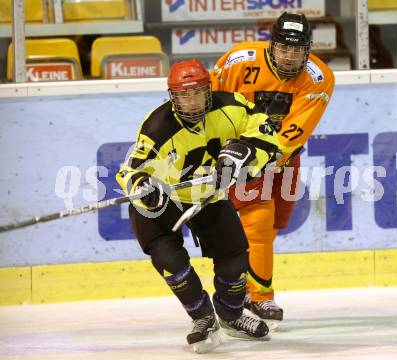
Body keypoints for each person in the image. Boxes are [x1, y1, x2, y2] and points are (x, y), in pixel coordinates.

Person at [116, 59, 280, 353]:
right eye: (183, 96)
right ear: (173, 97)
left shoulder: (232, 106)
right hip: (162, 201)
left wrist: (246, 153)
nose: (191, 102)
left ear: (209, 91)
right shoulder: (157, 127)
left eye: (197, 94)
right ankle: (203, 317)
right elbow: (130, 170)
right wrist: (142, 186)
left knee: (235, 259)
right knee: (170, 261)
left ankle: (230, 314)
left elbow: (267, 136)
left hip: (206, 193)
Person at [210, 12, 335, 327]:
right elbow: (210, 104)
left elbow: (295, 130)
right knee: (260, 220)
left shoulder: (319, 77)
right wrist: (221, 151)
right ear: (272, 45)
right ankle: (259, 296)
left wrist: (263, 156)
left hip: (284, 158)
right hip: (239, 153)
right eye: (284, 48)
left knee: (277, 222)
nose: (290, 56)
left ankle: (244, 282)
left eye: (297, 49)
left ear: (307, 50)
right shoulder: (238, 61)